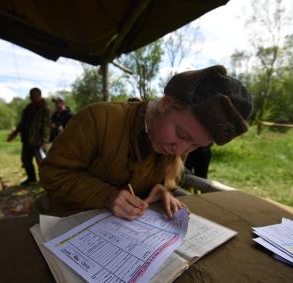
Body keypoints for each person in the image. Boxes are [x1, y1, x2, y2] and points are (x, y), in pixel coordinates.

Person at [40, 65, 253, 220]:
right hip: (68, 224)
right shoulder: (98, 119)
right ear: (165, 103)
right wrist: (106, 196)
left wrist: (161, 189)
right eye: (181, 133)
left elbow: (161, 177)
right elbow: (53, 174)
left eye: (195, 146)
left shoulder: (179, 144)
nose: (179, 150)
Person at [7, 88, 50, 187]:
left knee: (42, 161)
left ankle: (46, 180)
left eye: (33, 95)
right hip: (26, 140)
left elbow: (46, 126)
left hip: (38, 141)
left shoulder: (44, 110)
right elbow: (22, 124)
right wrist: (14, 134)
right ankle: (31, 179)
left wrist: (44, 141)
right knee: (26, 160)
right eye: (30, 95)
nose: (31, 97)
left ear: (39, 95)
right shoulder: (28, 109)